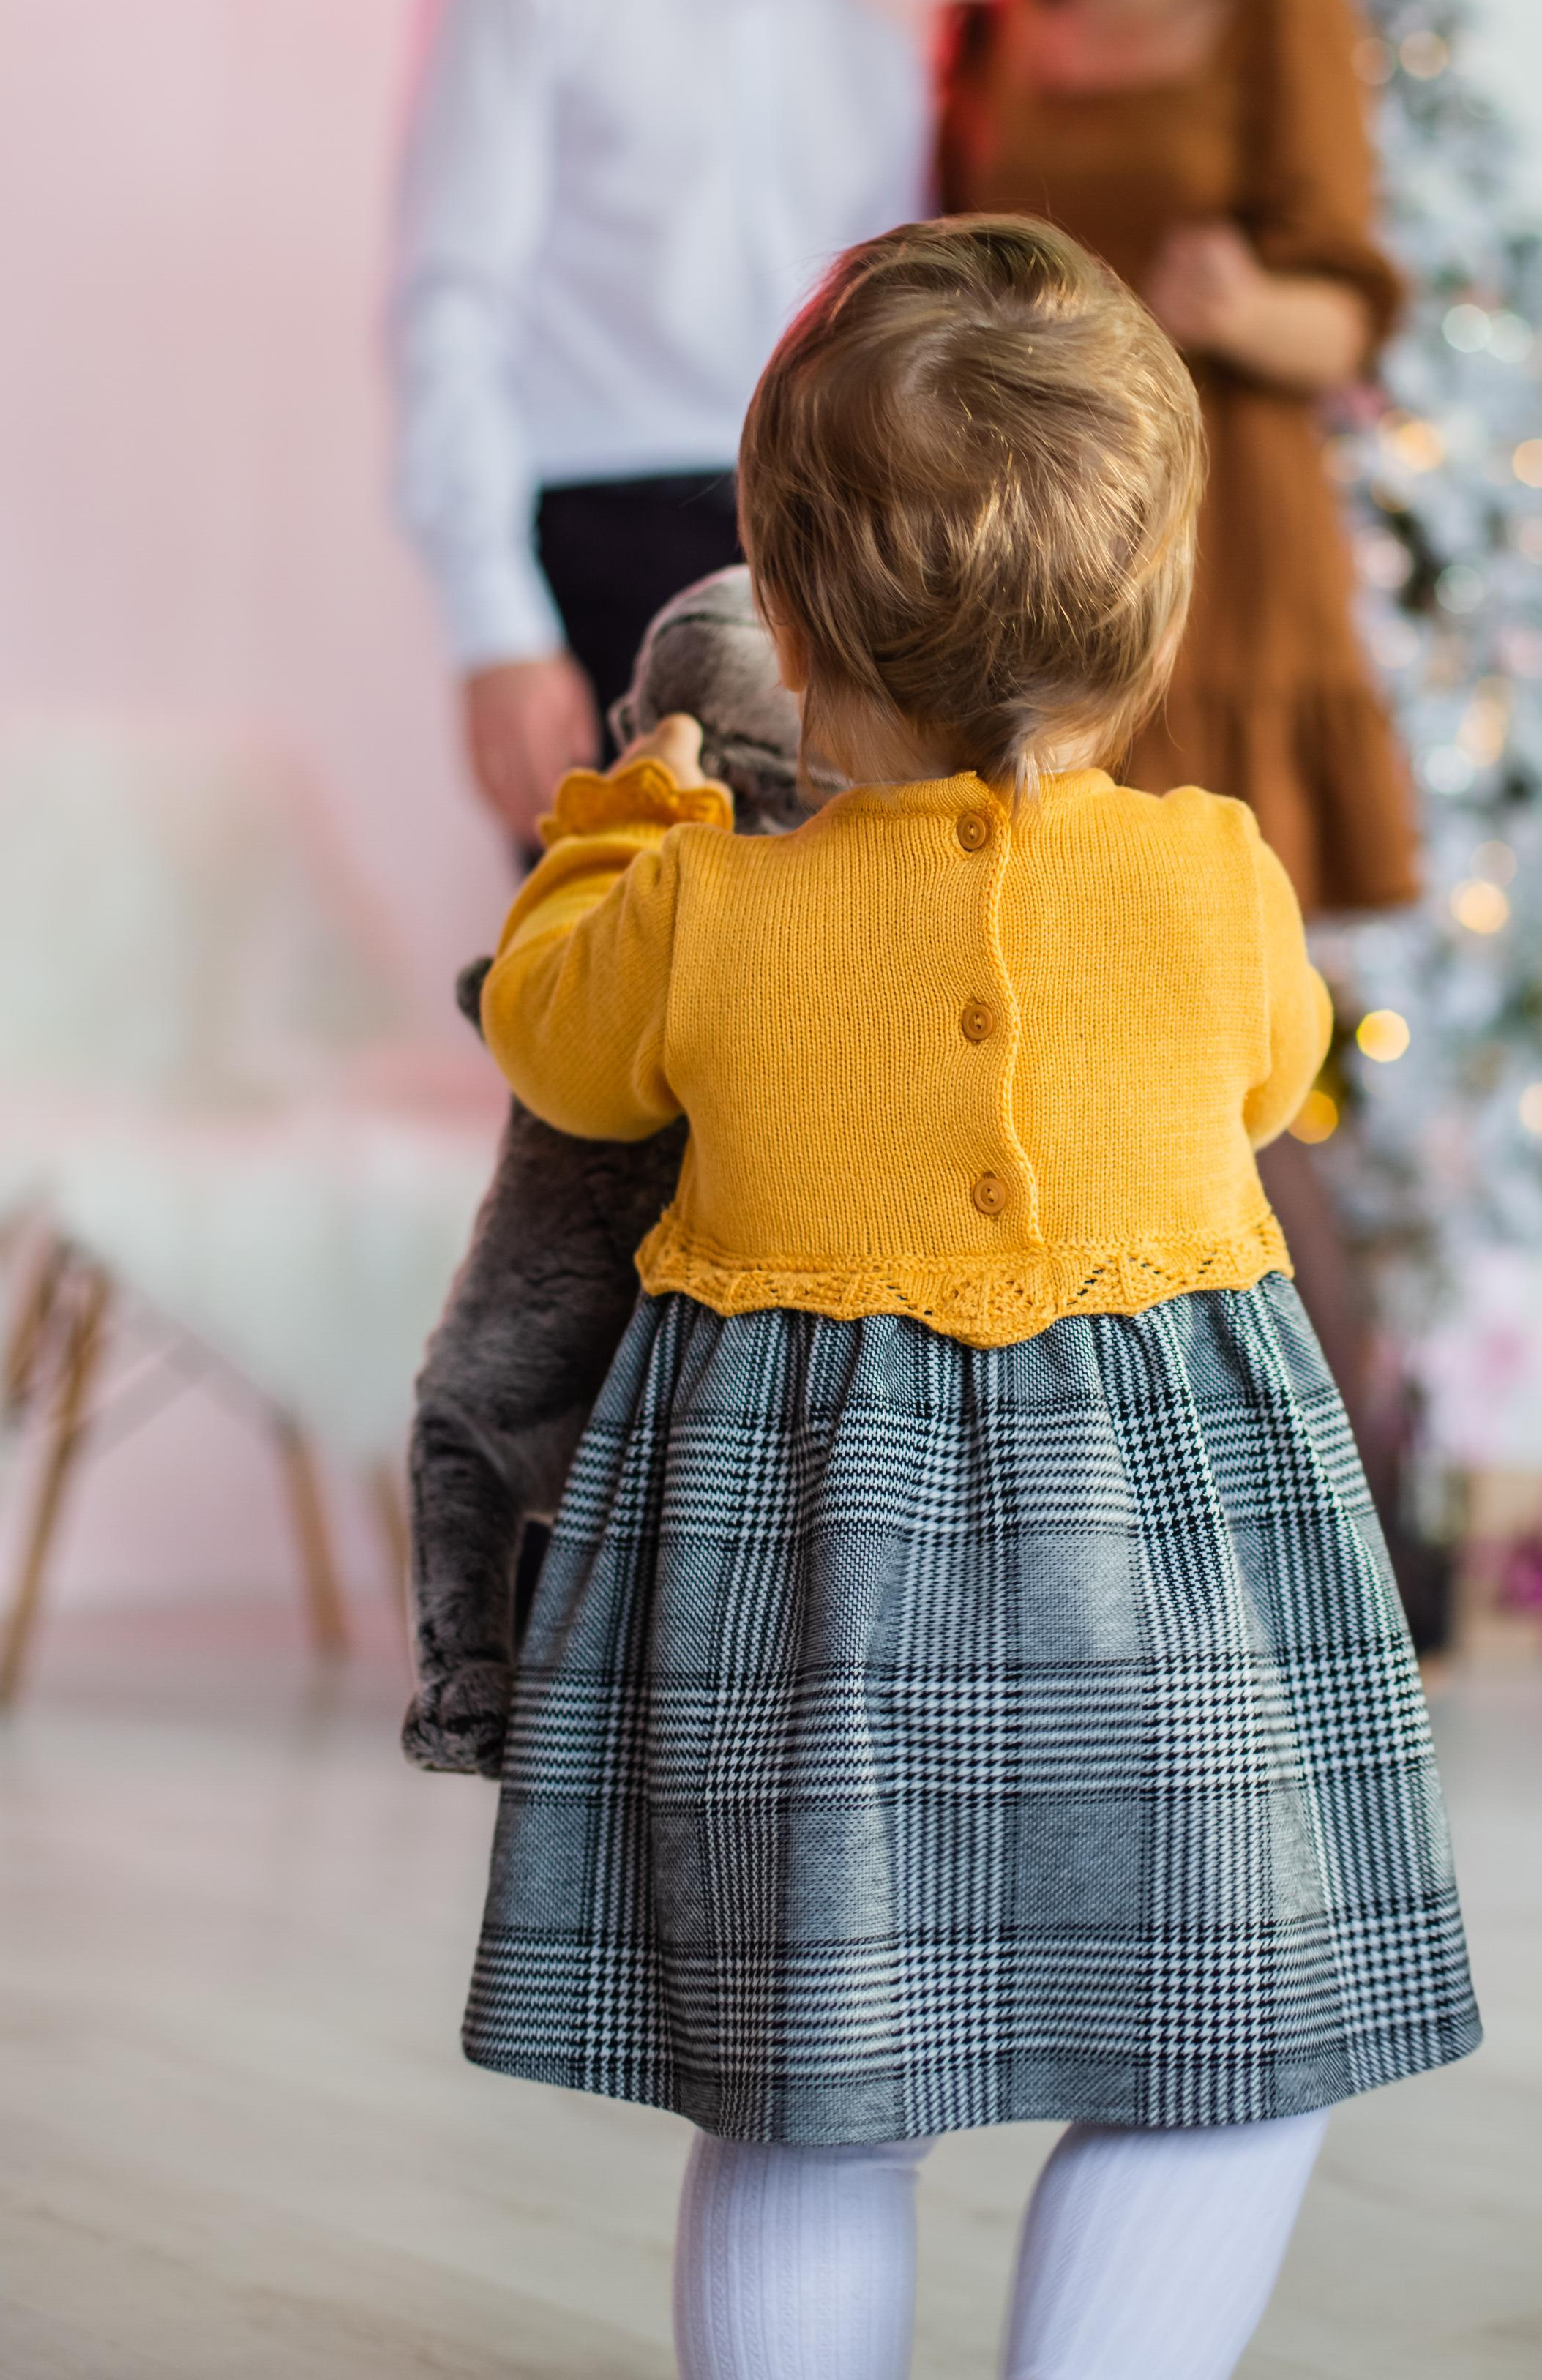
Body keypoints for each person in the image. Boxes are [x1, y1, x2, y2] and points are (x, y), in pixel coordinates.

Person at [454, 217, 1480, 2378]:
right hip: (1165, 1598)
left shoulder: (702, 909)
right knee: (1234, 2060)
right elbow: (1281, 1062)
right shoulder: (1214, 878)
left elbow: (547, 1035)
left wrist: (633, 810)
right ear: (1159, 596)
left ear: (788, 601)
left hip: (802, 1601)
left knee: (803, 2099)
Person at [390, 0, 926, 841]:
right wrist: (495, 627)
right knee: (605, 1025)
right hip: (592, 556)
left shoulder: (876, 58)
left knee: (815, 1028)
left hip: (818, 586)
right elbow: (450, 305)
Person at [937, 0, 1418, 918]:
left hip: (1230, 531)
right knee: (1055, 941)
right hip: (1040, 541)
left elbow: (1350, 322)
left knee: (1231, 955)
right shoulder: (986, 44)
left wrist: (1245, 307)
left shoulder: (1277, 17)